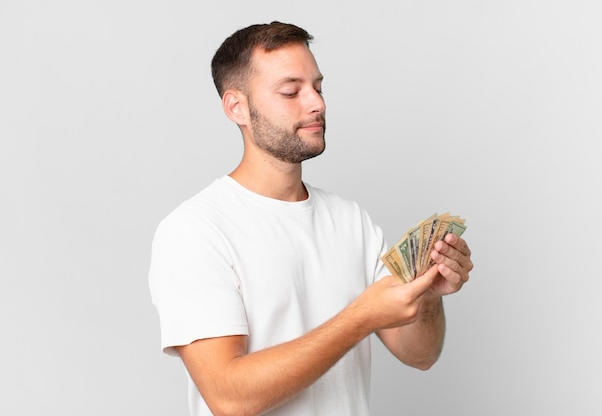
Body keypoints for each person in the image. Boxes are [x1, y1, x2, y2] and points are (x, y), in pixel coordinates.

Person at [149, 21, 473, 416]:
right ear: (237, 107)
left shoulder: (350, 220)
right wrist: (360, 317)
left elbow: (420, 355)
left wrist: (427, 299)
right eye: (291, 91)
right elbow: (230, 397)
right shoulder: (195, 231)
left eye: (317, 87)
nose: (316, 103)